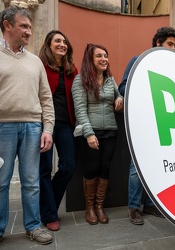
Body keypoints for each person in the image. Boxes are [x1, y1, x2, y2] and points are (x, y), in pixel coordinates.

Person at [0, 6, 54, 249]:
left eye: (29, 26)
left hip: (33, 127)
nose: (28, 31)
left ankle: (33, 226)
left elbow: (46, 98)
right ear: (7, 25)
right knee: (0, 183)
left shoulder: (35, 61)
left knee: (32, 181)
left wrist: (48, 129)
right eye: (24, 26)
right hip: (0, 127)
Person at [119, 26, 175, 225]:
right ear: (158, 43)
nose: (173, 49)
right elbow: (123, 87)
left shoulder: (172, 67)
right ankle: (134, 207)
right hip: (142, 123)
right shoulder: (138, 61)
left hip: (162, 125)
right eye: (170, 44)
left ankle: (150, 204)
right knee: (136, 168)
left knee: (155, 167)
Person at [72, 43, 123, 225]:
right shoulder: (80, 80)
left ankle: (100, 207)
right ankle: (89, 208)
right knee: (91, 169)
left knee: (105, 168)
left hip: (110, 131)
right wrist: (89, 133)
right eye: (99, 56)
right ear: (90, 60)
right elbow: (80, 109)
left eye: (105, 55)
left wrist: (119, 99)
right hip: (90, 132)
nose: (104, 59)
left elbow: (119, 95)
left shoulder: (110, 79)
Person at [38, 30, 78, 231]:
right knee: (43, 168)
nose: (62, 44)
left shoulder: (72, 70)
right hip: (43, 123)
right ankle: (49, 214)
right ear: (49, 44)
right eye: (57, 41)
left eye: (65, 41)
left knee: (69, 166)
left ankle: (47, 205)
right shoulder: (41, 67)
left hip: (65, 124)